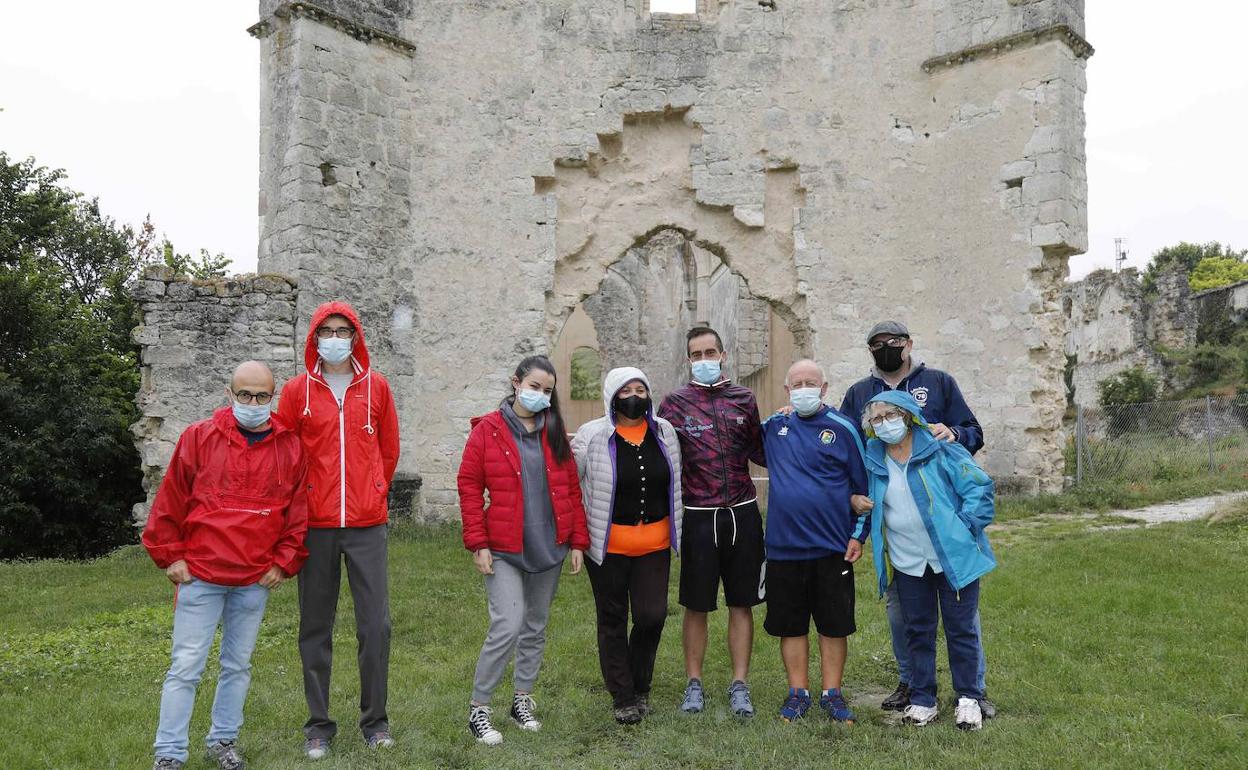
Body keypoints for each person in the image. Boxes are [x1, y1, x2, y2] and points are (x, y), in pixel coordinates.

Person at [143, 361, 309, 770]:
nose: (252, 403)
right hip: (201, 573)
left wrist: (284, 563)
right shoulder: (199, 438)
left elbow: (297, 513)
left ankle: (223, 741)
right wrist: (171, 555)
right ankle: (169, 753)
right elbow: (171, 500)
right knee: (185, 666)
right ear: (229, 393)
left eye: (261, 396)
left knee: (237, 665)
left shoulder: (290, 447)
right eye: (244, 395)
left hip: (254, 577)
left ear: (275, 396)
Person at [839, 320, 993, 716]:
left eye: (892, 342)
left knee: (961, 619)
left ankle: (971, 693)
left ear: (908, 344)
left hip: (946, 533)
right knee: (908, 619)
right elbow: (841, 441)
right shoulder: (859, 393)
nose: (885, 348)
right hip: (901, 541)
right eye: (876, 344)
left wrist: (953, 434)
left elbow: (972, 435)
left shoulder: (939, 382)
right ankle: (914, 685)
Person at [276, 301, 401, 759]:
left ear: (355, 337)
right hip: (316, 525)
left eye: (342, 330)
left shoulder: (378, 388)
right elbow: (286, 456)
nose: (334, 338)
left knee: (375, 626)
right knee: (315, 626)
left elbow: (388, 451)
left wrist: (374, 491)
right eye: (325, 330)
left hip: (367, 525)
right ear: (314, 337)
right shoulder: (296, 393)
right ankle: (319, 726)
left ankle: (375, 722)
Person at [457, 355, 590, 745]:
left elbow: (570, 489)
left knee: (535, 626)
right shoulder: (488, 431)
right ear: (515, 383)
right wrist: (477, 542)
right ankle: (479, 710)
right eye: (534, 387)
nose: (540, 395)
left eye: (547, 391)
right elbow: (468, 486)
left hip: (549, 545)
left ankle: (522, 701)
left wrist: (577, 540)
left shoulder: (554, 430)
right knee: (507, 625)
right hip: (503, 548)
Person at [858, 390, 996, 730]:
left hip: (953, 558)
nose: (885, 424)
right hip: (908, 561)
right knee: (917, 631)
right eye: (877, 419)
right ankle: (923, 699)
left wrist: (964, 528)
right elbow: (859, 495)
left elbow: (979, 488)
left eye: (891, 415)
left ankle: (968, 697)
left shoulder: (940, 446)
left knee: (960, 629)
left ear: (907, 416)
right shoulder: (872, 458)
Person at [657, 326, 765, 717]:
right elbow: (661, 457)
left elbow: (762, 449)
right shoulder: (673, 404)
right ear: (689, 360)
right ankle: (694, 683)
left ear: (723, 354)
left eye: (710, 352)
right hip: (699, 516)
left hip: (742, 513)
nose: (704, 359)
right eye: (696, 354)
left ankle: (740, 684)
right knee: (697, 605)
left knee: (742, 603)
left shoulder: (743, 398)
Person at [572, 367, 683, 725]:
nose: (634, 396)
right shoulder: (591, 435)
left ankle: (640, 683)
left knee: (652, 616)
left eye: (641, 389)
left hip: (655, 543)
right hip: (607, 547)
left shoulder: (665, 432)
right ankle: (623, 695)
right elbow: (571, 486)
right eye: (626, 390)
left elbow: (676, 481)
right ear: (611, 396)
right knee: (612, 619)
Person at [760, 359, 869, 724]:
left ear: (824, 388)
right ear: (787, 391)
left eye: (811, 382)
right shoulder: (774, 427)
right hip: (783, 547)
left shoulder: (844, 428)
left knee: (833, 624)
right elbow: (740, 441)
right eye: (797, 384)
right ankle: (797, 693)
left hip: (832, 547)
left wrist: (859, 534)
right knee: (791, 625)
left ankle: (832, 694)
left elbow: (863, 487)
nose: (804, 388)